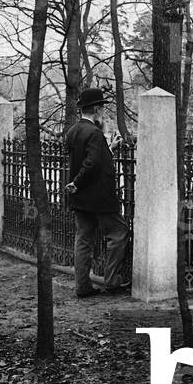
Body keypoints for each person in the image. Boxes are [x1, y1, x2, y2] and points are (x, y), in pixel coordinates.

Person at [64, 86, 130, 298]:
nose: (103, 110)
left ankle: (82, 287)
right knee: (119, 233)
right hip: (98, 197)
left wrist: (108, 149)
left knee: (83, 240)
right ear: (95, 109)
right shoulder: (94, 133)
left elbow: (86, 158)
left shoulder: (73, 131)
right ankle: (112, 281)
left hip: (81, 199)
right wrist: (77, 181)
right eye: (101, 106)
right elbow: (92, 164)